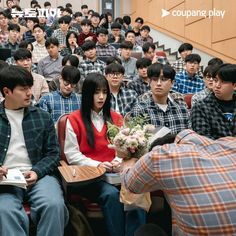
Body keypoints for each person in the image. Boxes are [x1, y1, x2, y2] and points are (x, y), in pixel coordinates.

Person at [64, 73, 145, 236]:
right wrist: (98, 165)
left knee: (137, 189)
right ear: (87, 94)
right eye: (96, 92)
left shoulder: (116, 117)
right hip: (89, 175)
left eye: (104, 92)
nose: (101, 97)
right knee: (111, 194)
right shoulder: (74, 119)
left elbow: (125, 147)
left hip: (116, 171)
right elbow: (72, 154)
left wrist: (117, 160)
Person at [120, 129, 236, 235]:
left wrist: (127, 165)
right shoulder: (230, 143)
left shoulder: (160, 155)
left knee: (146, 231)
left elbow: (130, 185)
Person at [0, 65, 68, 236]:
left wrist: (37, 171)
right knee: (4, 212)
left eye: (29, 87)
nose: (29, 93)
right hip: (5, 180)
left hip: (39, 176)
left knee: (54, 205)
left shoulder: (42, 116)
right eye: (23, 89)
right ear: (6, 91)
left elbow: (53, 153)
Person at [131, 63, 189, 134]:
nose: (158, 83)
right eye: (155, 79)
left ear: (172, 83)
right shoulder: (140, 110)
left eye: (163, 79)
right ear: (149, 82)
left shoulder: (183, 111)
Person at [190, 63, 236, 139]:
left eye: (223, 82)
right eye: (215, 80)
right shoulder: (201, 107)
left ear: (235, 86)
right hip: (214, 150)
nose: (217, 85)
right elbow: (204, 140)